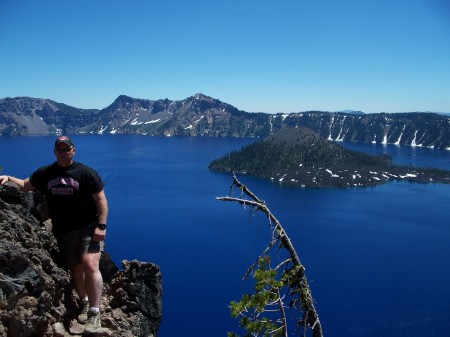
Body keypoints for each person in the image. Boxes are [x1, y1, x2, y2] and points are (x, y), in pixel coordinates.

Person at [0, 136, 108, 334]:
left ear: (73, 151)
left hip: (87, 227)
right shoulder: (46, 173)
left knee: (90, 263)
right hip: (64, 232)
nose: (63, 152)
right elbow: (25, 186)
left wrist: (101, 226)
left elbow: (100, 199)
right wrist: (7, 177)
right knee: (75, 270)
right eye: (60, 149)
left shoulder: (86, 173)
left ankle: (95, 312)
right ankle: (84, 302)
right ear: (55, 151)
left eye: (66, 149)